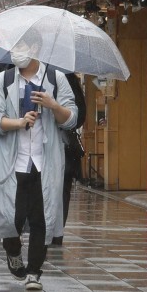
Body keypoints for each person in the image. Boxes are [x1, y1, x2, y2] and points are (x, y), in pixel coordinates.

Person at [0, 44, 77, 291]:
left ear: (35, 48)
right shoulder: (3, 80)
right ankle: (12, 250)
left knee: (42, 218)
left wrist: (52, 105)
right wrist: (18, 122)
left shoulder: (56, 79)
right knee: (10, 216)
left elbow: (72, 118)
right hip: (13, 162)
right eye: (14, 47)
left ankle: (34, 272)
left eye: (22, 46)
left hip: (45, 163)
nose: (17, 52)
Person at [52, 72, 87, 246]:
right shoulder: (38, 78)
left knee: (62, 190)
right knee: (59, 191)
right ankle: (52, 232)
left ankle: (56, 233)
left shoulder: (69, 81)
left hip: (64, 146)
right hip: (46, 146)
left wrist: (59, 110)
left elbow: (79, 117)